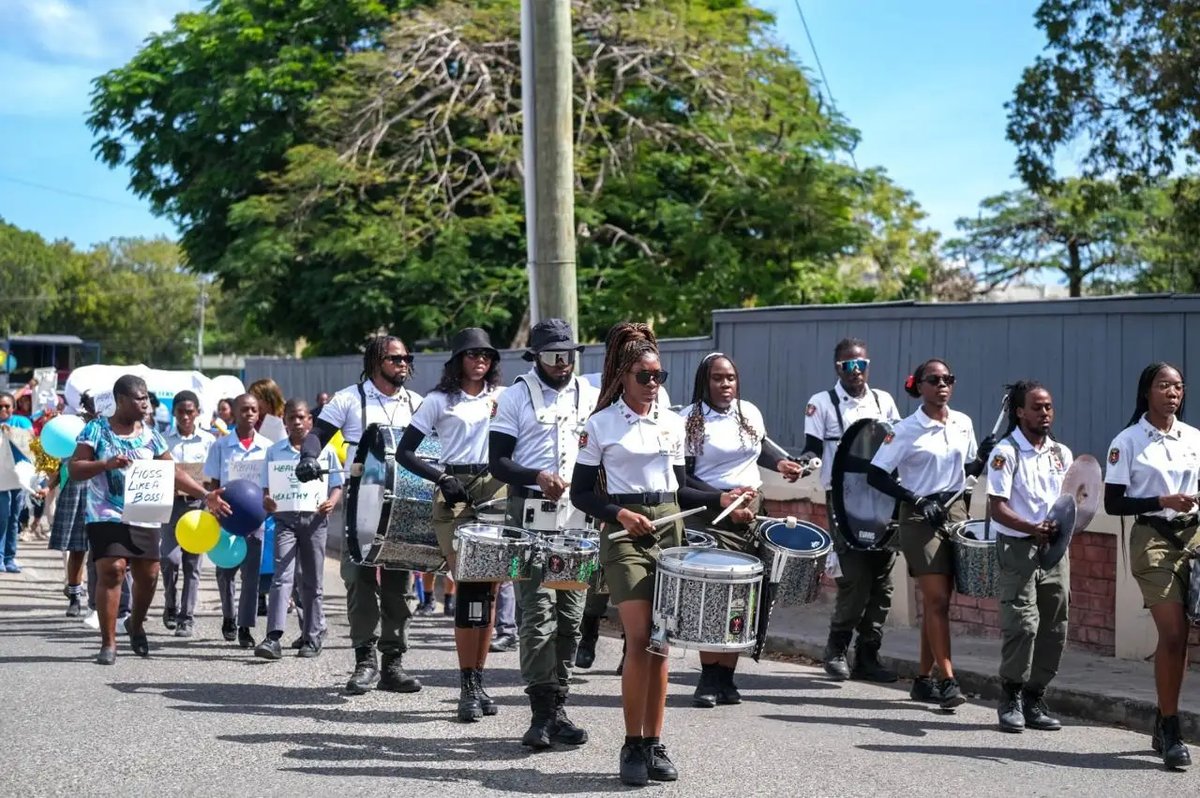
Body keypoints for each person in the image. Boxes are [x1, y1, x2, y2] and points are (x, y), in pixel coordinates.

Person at [571, 324, 748, 786]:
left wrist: (723, 497)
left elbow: (682, 485)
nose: (654, 384)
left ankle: (654, 743)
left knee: (662, 642)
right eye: (645, 376)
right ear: (623, 377)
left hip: (670, 525)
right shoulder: (601, 424)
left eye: (659, 376)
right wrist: (621, 514)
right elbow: (581, 493)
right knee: (639, 635)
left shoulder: (671, 421)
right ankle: (631, 744)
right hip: (626, 532)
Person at [488, 318, 597, 750]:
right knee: (537, 613)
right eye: (553, 355)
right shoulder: (514, 396)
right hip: (528, 510)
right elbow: (498, 461)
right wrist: (537, 474)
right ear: (535, 356)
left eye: (568, 354)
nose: (562, 363)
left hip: (576, 515)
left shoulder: (589, 395)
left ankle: (559, 707)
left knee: (571, 614)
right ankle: (540, 714)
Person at [67, 374, 227, 664]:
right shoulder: (96, 430)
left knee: (149, 574)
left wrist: (206, 495)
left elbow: (173, 472)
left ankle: (136, 624)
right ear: (120, 401)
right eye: (139, 398)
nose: (145, 403)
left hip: (145, 513)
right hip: (105, 513)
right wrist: (106, 463)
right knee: (113, 570)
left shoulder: (151, 434)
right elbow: (75, 468)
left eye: (145, 397)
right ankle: (109, 642)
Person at [297, 333, 424, 696]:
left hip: (405, 502)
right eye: (395, 359)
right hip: (361, 499)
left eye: (406, 358)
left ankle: (393, 665)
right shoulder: (349, 399)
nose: (404, 364)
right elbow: (317, 434)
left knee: (400, 585)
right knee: (360, 580)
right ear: (375, 362)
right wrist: (308, 457)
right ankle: (365, 661)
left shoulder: (416, 403)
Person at [679, 352, 802, 707]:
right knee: (716, 596)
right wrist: (723, 499)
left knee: (745, 597)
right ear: (704, 382)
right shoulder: (689, 421)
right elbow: (682, 477)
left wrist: (780, 463)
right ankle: (708, 678)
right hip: (711, 512)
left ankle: (727, 679)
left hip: (750, 508)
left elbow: (758, 447)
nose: (726, 384)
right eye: (718, 378)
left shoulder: (749, 412)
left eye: (731, 377)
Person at [397, 327, 506, 722]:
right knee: (469, 585)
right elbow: (404, 452)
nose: (481, 360)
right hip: (454, 491)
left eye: (487, 355)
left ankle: (479, 679)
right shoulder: (439, 400)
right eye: (473, 354)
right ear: (458, 358)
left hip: (495, 490)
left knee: (490, 589)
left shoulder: (503, 397)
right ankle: (466, 685)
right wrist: (441, 477)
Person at [867, 358, 991, 709]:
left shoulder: (963, 423)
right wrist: (916, 499)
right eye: (933, 380)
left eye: (947, 379)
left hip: (954, 512)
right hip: (920, 516)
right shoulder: (905, 429)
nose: (942, 385)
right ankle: (948, 680)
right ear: (918, 386)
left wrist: (982, 458)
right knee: (936, 600)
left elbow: (967, 473)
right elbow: (876, 474)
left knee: (939, 602)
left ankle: (922, 679)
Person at [1104, 362, 1199, 769]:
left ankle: (1163, 717)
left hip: (1193, 536)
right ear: (1147, 391)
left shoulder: (1194, 437)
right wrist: (1161, 501)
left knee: (1182, 636)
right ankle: (1173, 728)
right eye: (1164, 385)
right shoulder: (1126, 442)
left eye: (1178, 386)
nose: (1173, 392)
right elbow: (1113, 503)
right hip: (1153, 539)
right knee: (1173, 632)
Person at [802, 338, 902, 683]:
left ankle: (869, 654)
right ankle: (835, 649)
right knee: (855, 578)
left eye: (861, 364)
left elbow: (898, 443)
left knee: (883, 580)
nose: (855, 371)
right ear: (837, 368)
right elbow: (812, 449)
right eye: (848, 365)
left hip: (883, 497)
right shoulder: (822, 403)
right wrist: (804, 462)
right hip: (843, 499)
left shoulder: (883, 401)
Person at [576, 322, 668, 672]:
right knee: (602, 576)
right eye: (631, 344)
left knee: (654, 623)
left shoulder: (661, 399)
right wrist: (614, 510)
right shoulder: (600, 401)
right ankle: (590, 631)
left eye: (658, 376)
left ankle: (634, 650)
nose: (652, 384)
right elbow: (588, 476)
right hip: (611, 500)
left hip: (658, 509)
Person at [987, 380, 1072, 733]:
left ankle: (1036, 696)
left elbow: (1070, 502)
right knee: (1023, 624)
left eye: (1048, 406)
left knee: (1055, 625)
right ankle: (1011, 696)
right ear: (1019, 411)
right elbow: (997, 508)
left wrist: (1066, 525)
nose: (1044, 413)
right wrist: (1031, 527)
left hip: (1055, 548)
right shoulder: (1005, 453)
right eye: (1036, 407)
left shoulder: (1061, 454)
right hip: (1018, 547)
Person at [256, 399, 342, 660]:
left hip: (315, 520)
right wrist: (268, 500)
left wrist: (332, 502)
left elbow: (337, 484)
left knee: (312, 580)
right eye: (291, 417)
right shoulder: (275, 452)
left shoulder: (326, 452)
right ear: (284, 422)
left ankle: (313, 635)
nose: (296, 422)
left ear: (310, 421)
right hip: (285, 520)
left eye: (301, 417)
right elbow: (266, 489)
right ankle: (273, 637)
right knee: (282, 575)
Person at [204, 393, 272, 648]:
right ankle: (229, 616)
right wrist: (213, 505)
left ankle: (245, 625)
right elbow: (213, 482)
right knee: (225, 572)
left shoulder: (268, 447)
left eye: (254, 410)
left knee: (251, 575)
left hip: (255, 517)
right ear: (233, 412)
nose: (250, 414)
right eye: (244, 409)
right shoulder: (221, 446)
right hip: (227, 516)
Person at [159, 391, 216, 637]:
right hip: (170, 507)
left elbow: (213, 476)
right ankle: (170, 604)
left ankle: (187, 617)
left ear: (198, 413)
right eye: (180, 411)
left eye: (190, 412)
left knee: (192, 564)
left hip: (197, 507)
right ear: (173, 413)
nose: (185, 416)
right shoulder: (163, 441)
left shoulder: (208, 442)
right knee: (169, 559)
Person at [0, 391, 32, 572]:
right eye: (0, 406)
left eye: (7, 406)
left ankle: (10, 558)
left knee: (14, 518)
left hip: (18, 477)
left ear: (13, 407)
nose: (3, 410)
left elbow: (30, 443)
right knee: (2, 516)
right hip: (1, 478)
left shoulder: (22, 422)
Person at [249, 378, 288, 443]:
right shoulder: (252, 422)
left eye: (258, 398)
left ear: (271, 399)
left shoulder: (287, 418)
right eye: (252, 398)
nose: (254, 403)